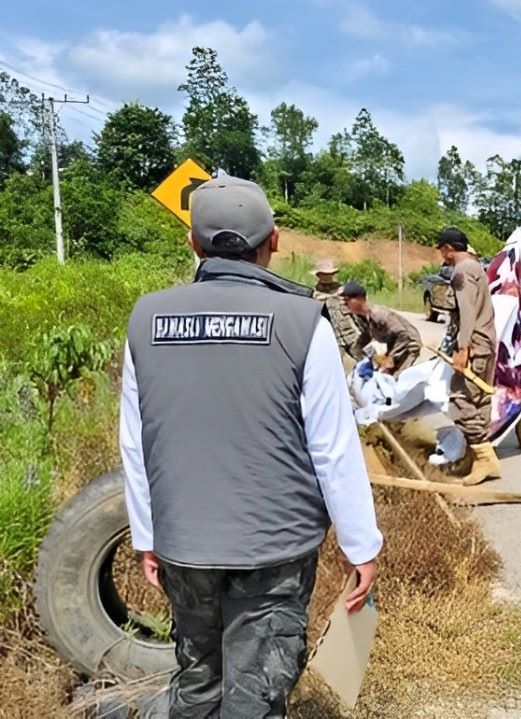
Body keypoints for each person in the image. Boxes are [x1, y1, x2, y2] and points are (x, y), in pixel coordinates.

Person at [119, 175, 381, 717]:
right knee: (256, 696)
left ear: (194, 244)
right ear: (275, 241)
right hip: (274, 551)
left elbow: (135, 440)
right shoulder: (304, 321)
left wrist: (147, 535)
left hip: (183, 547)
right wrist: (362, 547)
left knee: (196, 685)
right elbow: (333, 449)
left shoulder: (145, 319)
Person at [436, 226, 502, 485]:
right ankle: (481, 459)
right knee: (480, 401)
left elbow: (467, 312)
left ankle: (484, 458)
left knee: (461, 400)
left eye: (442, 250)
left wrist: (463, 348)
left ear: (448, 249)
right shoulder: (475, 266)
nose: (442, 255)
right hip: (486, 343)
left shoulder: (462, 271)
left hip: (474, 346)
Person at [340, 280, 423, 376]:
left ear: (359, 299)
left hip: (409, 346)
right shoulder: (363, 317)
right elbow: (367, 339)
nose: (344, 304)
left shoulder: (379, 314)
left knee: (393, 380)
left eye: (347, 300)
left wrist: (391, 358)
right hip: (394, 346)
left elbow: (403, 335)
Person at [312, 258, 364, 364]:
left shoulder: (342, 289)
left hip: (350, 333)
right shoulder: (314, 293)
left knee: (366, 361)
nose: (327, 276)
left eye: (329, 274)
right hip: (331, 337)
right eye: (324, 274)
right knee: (333, 365)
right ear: (318, 275)